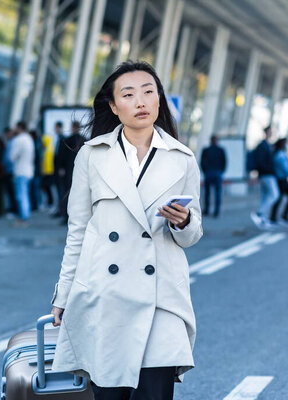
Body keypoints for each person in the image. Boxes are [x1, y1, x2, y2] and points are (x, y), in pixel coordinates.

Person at [49, 61, 203, 400]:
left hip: (161, 297)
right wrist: (63, 294)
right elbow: (77, 231)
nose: (141, 101)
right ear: (114, 107)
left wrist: (184, 221)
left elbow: (192, 235)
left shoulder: (182, 158)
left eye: (149, 92)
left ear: (160, 101)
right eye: (129, 94)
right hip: (107, 296)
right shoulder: (92, 156)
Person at [54, 120, 86, 224]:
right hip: (80, 170)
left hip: (69, 170)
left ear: (72, 128)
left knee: (67, 193)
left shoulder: (66, 140)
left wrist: (61, 168)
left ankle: (66, 215)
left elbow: (61, 157)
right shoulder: (84, 140)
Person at [250, 126, 279, 230]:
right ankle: (260, 213)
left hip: (266, 174)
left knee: (265, 196)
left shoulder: (267, 145)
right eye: (270, 131)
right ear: (266, 132)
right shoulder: (263, 145)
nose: (271, 133)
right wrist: (269, 169)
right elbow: (261, 161)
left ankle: (262, 218)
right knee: (274, 195)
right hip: (267, 174)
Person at [10, 121, 35, 226]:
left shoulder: (18, 140)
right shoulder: (29, 139)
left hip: (20, 171)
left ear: (19, 128)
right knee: (25, 194)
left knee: (21, 195)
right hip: (29, 170)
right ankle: (25, 216)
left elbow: (12, 156)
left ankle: (24, 218)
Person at [270, 138, 288, 225]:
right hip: (280, 180)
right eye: (286, 144)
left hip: (283, 179)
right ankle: (274, 217)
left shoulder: (282, 154)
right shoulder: (280, 155)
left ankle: (280, 216)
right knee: (280, 198)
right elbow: (285, 169)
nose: (287, 145)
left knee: (286, 197)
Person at [200, 135, 226, 217]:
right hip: (217, 173)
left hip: (208, 173)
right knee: (217, 193)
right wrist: (221, 171)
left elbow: (202, 162)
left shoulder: (206, 150)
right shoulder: (221, 150)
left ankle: (207, 210)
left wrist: (205, 171)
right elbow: (224, 162)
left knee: (207, 193)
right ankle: (216, 211)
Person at [2, 127, 18, 218]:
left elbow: (10, 158)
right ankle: (12, 208)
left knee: (12, 191)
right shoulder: (10, 142)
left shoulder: (13, 143)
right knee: (11, 191)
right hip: (9, 170)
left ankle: (14, 209)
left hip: (11, 170)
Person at [52, 121, 66, 218]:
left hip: (61, 169)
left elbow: (62, 156)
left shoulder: (63, 139)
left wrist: (61, 167)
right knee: (59, 189)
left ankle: (62, 210)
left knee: (62, 190)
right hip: (57, 169)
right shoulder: (58, 139)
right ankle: (60, 209)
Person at [40, 132, 56, 211]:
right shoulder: (48, 149)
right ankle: (49, 203)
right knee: (46, 188)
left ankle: (51, 204)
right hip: (46, 172)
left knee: (48, 188)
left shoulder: (49, 150)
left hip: (48, 172)